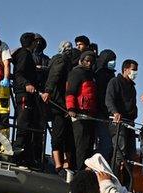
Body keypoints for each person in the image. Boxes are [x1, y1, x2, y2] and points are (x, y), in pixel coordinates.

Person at [10, 32, 48, 169]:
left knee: (28, 124)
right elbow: (19, 73)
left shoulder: (25, 55)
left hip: (29, 95)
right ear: (32, 43)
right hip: (24, 94)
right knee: (23, 124)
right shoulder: (24, 55)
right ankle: (18, 157)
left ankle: (27, 157)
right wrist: (26, 84)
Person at [43, 41, 77, 175]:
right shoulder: (62, 61)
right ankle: (59, 165)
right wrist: (48, 91)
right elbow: (54, 76)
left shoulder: (63, 61)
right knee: (59, 134)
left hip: (63, 104)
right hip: (59, 104)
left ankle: (65, 163)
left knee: (65, 135)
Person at [105, 59, 139, 184]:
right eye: (133, 69)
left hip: (130, 123)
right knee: (119, 152)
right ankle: (113, 182)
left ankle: (127, 184)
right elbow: (109, 99)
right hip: (118, 122)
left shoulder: (132, 88)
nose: (135, 73)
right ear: (125, 69)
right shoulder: (115, 82)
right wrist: (115, 112)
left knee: (131, 155)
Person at [65, 49, 99, 170]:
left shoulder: (92, 75)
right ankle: (79, 170)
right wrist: (71, 108)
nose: (89, 63)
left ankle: (85, 170)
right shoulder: (76, 73)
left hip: (90, 114)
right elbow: (70, 92)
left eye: (91, 61)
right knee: (82, 144)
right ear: (81, 60)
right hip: (79, 113)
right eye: (87, 61)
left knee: (89, 145)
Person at [94, 49, 118, 162]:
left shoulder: (111, 75)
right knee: (105, 142)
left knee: (107, 143)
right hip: (99, 112)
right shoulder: (99, 74)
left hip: (106, 113)